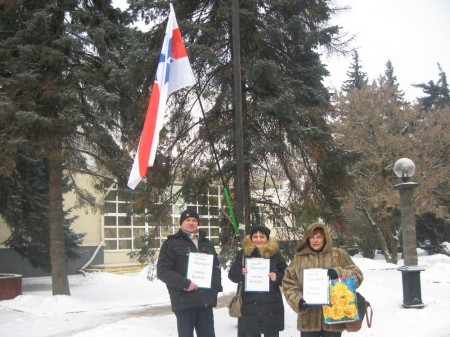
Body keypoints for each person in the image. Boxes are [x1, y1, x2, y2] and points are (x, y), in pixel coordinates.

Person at [282, 223, 364, 337]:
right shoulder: (299, 258)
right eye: (312, 237)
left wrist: (338, 272)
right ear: (307, 239)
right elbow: (288, 284)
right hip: (308, 321)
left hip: (334, 319)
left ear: (325, 237)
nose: (315, 240)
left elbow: (358, 276)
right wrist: (299, 301)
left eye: (319, 237)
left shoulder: (338, 254)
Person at [157, 209, 222, 337]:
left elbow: (215, 268)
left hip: (205, 301)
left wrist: (215, 289)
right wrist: (185, 284)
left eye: (194, 220)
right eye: (187, 220)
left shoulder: (207, 243)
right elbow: (163, 271)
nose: (191, 223)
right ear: (181, 223)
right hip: (184, 301)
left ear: (198, 223)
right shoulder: (171, 244)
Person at [228, 225, 287, 337]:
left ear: (267, 238)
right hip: (250, 306)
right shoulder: (243, 254)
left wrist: (277, 277)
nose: (258, 239)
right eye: (255, 236)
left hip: (271, 306)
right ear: (251, 238)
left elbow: (287, 277)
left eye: (262, 236)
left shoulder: (275, 254)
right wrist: (241, 272)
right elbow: (232, 276)